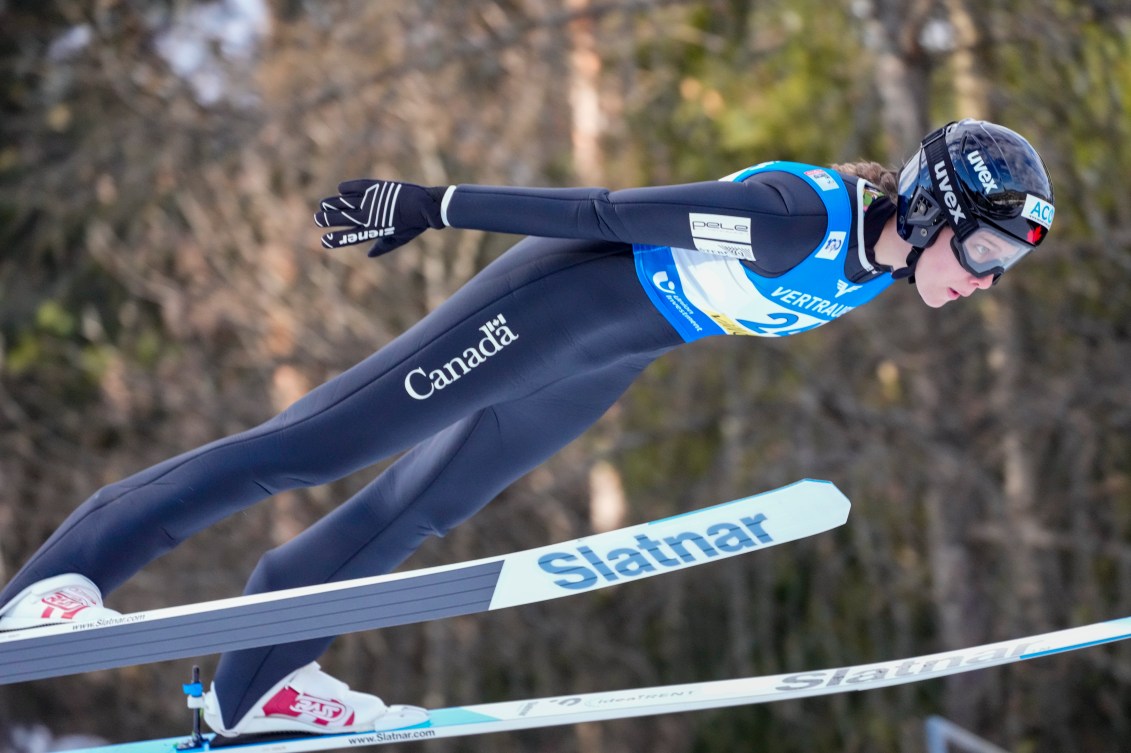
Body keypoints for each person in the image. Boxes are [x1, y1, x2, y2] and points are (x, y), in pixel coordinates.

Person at [0, 119, 1055, 737]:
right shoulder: (798, 219)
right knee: (312, 445)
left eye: (1002, 268)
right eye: (987, 255)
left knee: (426, 507)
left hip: (615, 350)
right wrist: (433, 203)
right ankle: (57, 591)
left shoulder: (878, 266)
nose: (984, 283)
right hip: (553, 305)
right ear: (929, 212)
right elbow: (605, 213)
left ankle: (256, 681)